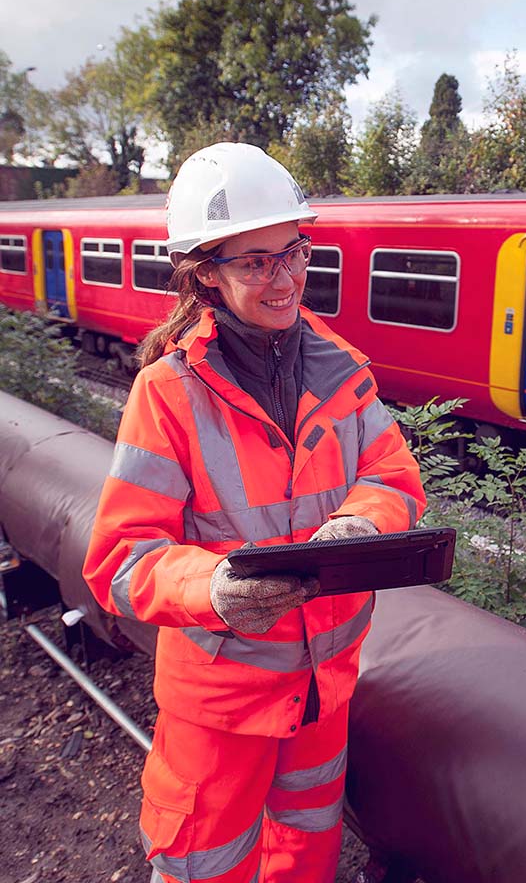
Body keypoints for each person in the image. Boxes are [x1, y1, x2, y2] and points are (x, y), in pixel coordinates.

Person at [84, 142, 426, 883]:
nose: (286, 278)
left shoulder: (342, 369)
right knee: (204, 865)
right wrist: (212, 589)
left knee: (305, 853)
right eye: (256, 262)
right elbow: (122, 559)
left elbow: (394, 474)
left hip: (323, 687)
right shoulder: (169, 394)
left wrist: (362, 522)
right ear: (205, 275)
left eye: (295, 253)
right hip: (221, 703)